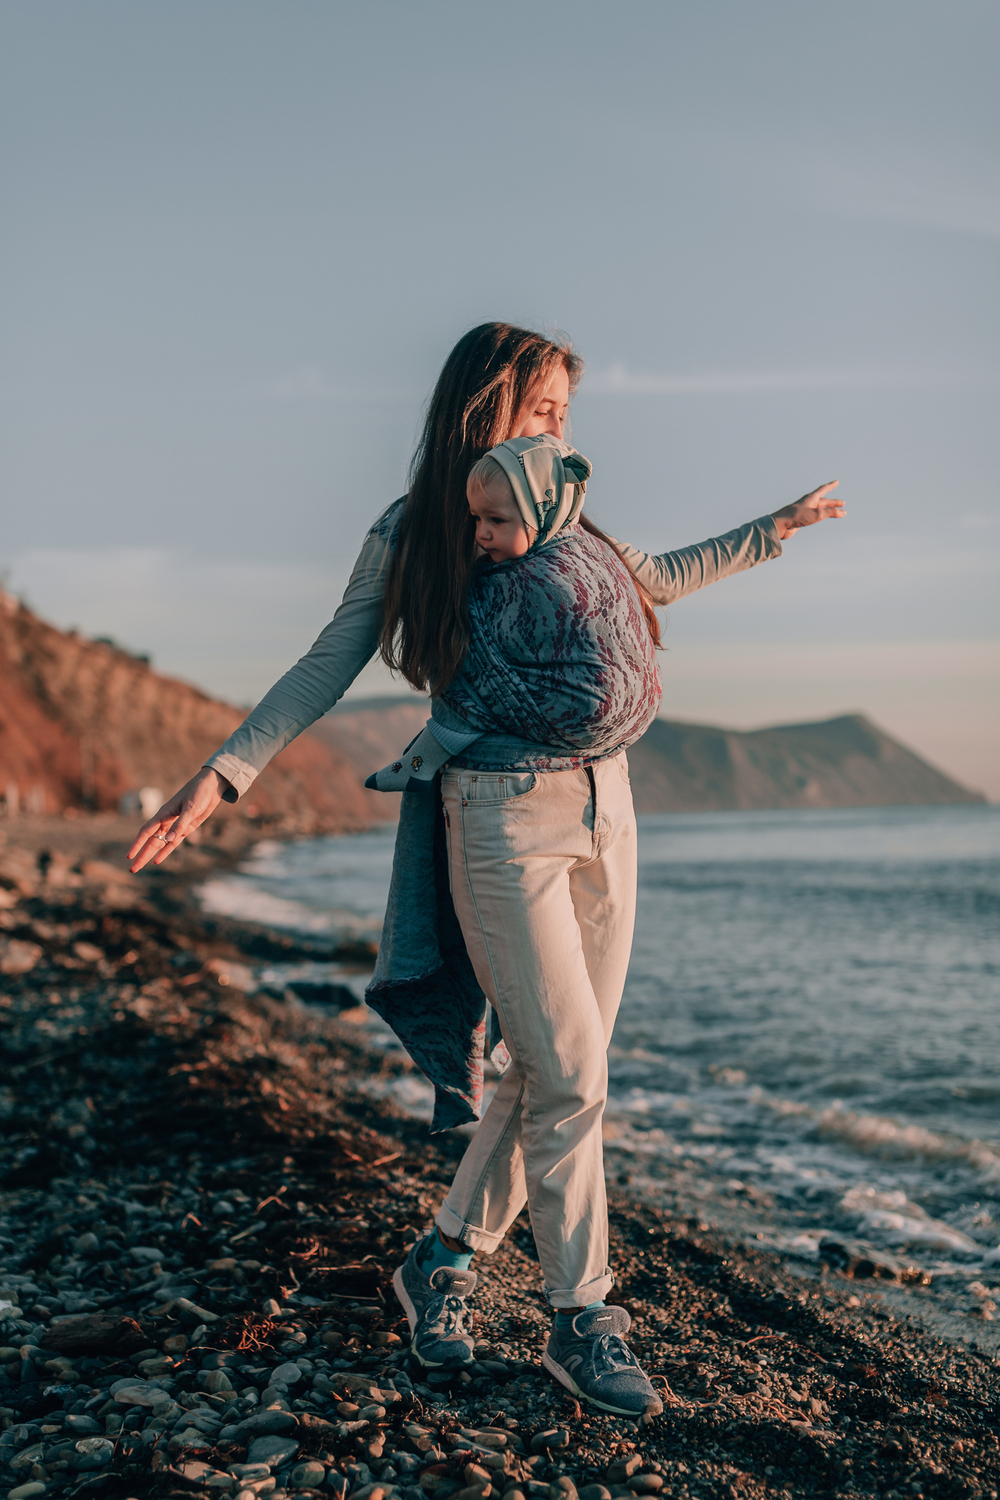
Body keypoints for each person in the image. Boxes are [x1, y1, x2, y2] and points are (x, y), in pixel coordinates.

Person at [128, 321, 844, 1416]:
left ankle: (442, 1264)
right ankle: (581, 1316)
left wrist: (774, 530)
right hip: (500, 816)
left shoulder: (565, 512)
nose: (561, 430)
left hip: (608, 808)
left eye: (566, 416)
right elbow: (332, 656)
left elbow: (658, 580)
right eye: (545, 411)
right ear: (486, 408)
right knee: (569, 1077)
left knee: (555, 1070)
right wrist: (223, 775)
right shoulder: (420, 530)